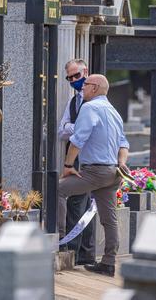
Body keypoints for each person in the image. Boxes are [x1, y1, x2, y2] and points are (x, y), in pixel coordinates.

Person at [58, 74, 129, 277]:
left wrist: (68, 165)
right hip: (113, 171)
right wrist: (122, 162)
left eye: (86, 85)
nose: (83, 88)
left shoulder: (89, 108)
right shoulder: (114, 111)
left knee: (58, 190)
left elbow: (78, 140)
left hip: (95, 171)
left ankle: (58, 241)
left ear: (95, 88)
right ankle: (108, 262)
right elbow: (123, 143)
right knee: (109, 218)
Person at [57, 59, 96, 265]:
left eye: (77, 76)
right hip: (76, 159)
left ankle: (74, 251)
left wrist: (76, 127)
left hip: (90, 161)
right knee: (83, 203)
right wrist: (78, 127)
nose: (74, 80)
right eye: (70, 78)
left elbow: (90, 131)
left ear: (86, 72)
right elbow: (62, 130)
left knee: (77, 203)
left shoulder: (96, 99)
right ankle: (84, 254)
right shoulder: (73, 102)